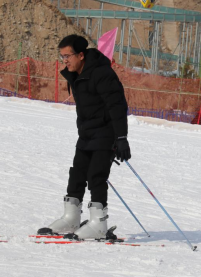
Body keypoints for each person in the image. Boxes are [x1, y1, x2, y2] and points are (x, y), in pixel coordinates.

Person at [37, 34, 131, 240]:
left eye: (68, 56)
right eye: (62, 56)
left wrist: (121, 137)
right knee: (77, 173)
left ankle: (98, 224)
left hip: (106, 133)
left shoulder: (102, 73)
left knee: (96, 176)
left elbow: (117, 105)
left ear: (81, 55)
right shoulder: (77, 75)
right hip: (87, 133)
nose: (65, 61)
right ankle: (71, 217)